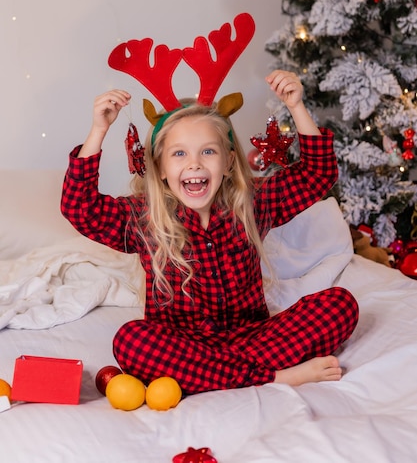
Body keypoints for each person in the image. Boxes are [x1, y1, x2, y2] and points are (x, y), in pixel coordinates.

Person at [61, 69, 358, 396]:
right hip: (181, 343)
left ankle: (211, 374)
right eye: (179, 154)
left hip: (253, 336)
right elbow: (80, 208)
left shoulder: (252, 204)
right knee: (131, 341)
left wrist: (297, 107)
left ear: (229, 161)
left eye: (208, 151)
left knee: (340, 305)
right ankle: (276, 377)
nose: (194, 164)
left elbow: (318, 174)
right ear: (160, 168)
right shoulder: (145, 218)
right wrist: (98, 130)